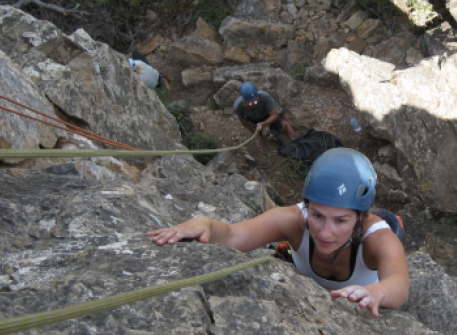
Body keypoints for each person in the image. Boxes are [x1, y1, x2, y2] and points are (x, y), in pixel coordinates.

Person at [147, 148, 409, 317]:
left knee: (390, 230)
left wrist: (378, 292)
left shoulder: (377, 239)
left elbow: (399, 283)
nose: (325, 232)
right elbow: (234, 236)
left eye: (340, 220)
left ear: (360, 216)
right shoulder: (292, 220)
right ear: (307, 206)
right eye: (317, 216)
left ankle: (392, 220)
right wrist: (207, 225)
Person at [232, 81, 296, 152]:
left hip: (268, 115)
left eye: (255, 101)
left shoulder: (264, 97)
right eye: (250, 103)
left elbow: (274, 115)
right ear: (244, 101)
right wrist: (255, 134)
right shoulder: (238, 106)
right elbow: (243, 120)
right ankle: (259, 138)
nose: (253, 104)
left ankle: (285, 125)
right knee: (258, 135)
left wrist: (263, 123)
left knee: (280, 130)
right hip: (254, 119)